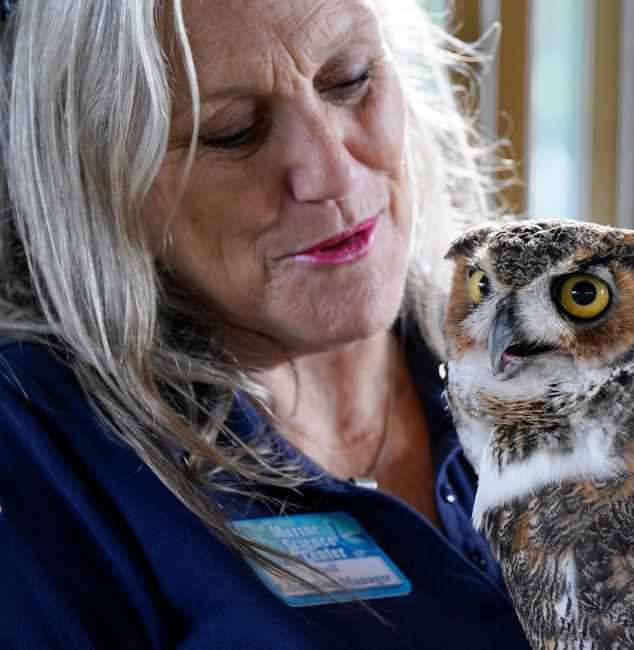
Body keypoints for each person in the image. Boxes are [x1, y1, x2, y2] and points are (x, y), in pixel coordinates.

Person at [0, 0, 530, 647]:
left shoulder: (551, 350)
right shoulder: (39, 449)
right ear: (95, 176)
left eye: (351, 79)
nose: (331, 174)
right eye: (232, 132)